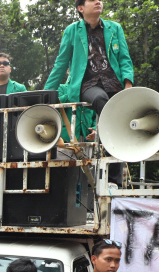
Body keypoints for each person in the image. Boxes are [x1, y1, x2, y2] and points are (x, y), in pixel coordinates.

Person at [43, 0, 134, 185]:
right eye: (93, 0)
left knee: (125, 114)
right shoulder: (72, 31)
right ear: (81, 8)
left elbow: (125, 58)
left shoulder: (114, 28)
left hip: (114, 83)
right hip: (87, 85)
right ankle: (113, 180)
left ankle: (115, 178)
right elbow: (61, 64)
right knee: (101, 100)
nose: (99, 2)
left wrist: (128, 84)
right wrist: (45, 94)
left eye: (100, 0)